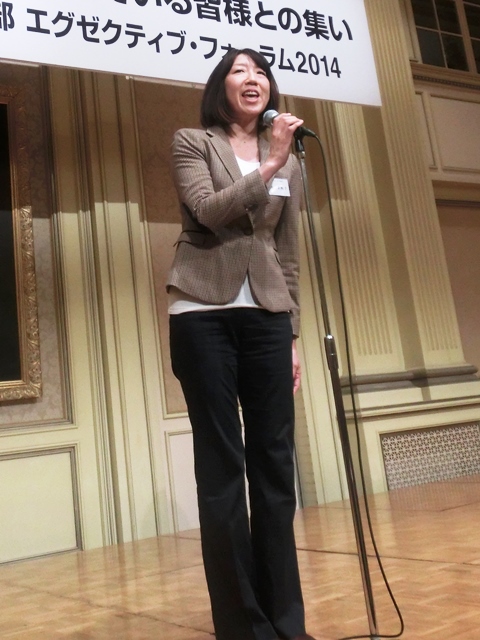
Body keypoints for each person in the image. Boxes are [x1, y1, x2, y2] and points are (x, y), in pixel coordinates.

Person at [167, 47, 317, 640]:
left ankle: (286, 622)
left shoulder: (293, 164)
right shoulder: (192, 142)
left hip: (269, 318)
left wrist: (293, 333)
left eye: (259, 71)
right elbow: (206, 212)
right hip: (202, 312)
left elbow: (289, 249)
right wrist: (268, 163)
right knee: (223, 468)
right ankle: (242, 627)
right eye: (238, 71)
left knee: (276, 465)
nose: (252, 79)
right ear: (220, 86)